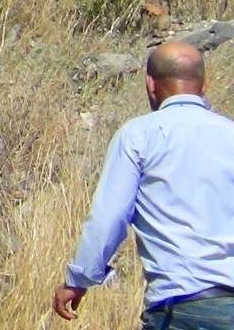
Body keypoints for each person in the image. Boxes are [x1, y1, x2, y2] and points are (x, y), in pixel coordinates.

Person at [52, 40, 234, 329]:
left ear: (150, 84)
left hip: (179, 305)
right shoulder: (229, 134)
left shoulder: (139, 135)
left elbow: (108, 218)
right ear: (205, 84)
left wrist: (78, 279)